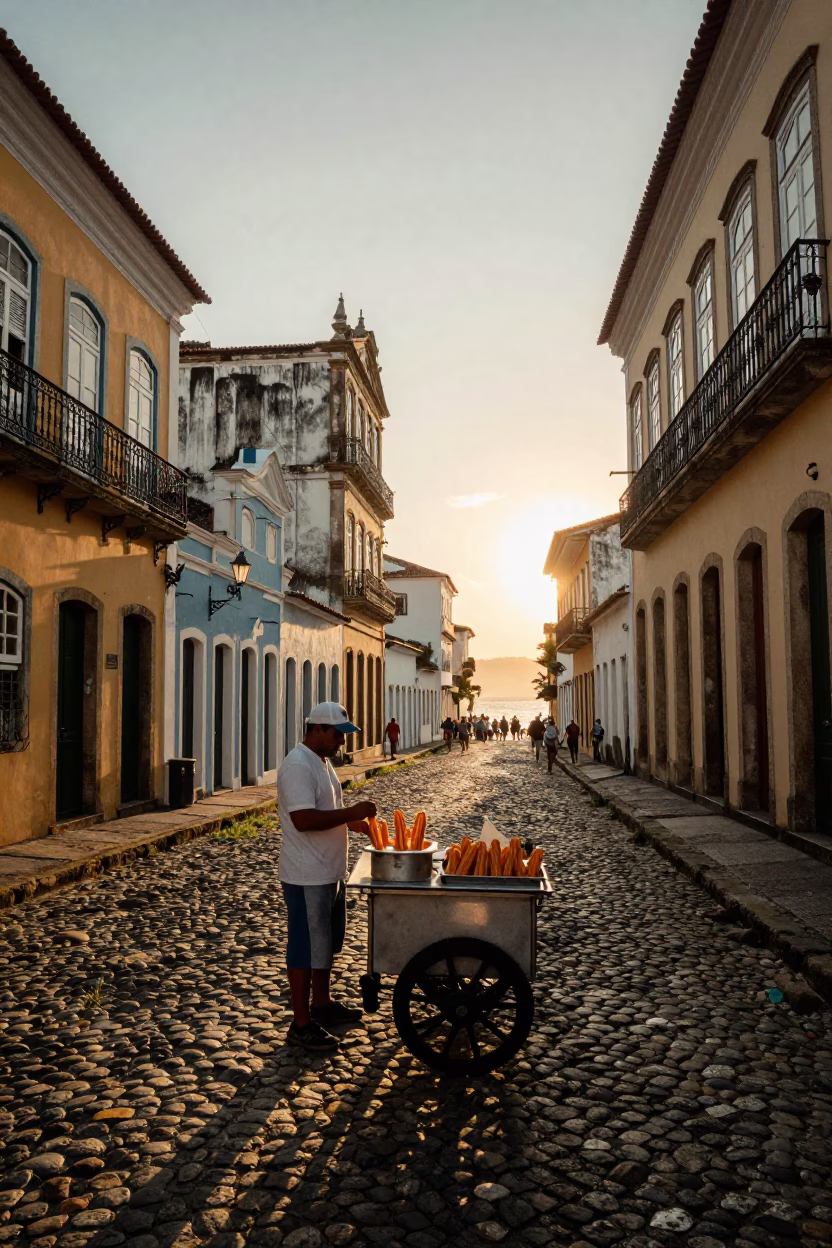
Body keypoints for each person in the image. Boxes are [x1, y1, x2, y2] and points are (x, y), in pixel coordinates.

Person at [277, 702, 377, 1054]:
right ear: (316, 729)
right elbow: (303, 819)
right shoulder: (297, 766)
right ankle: (301, 1023)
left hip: (329, 871)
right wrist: (350, 812)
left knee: (327, 944)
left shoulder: (322, 763)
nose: (340, 742)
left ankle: (322, 1003)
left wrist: (352, 823)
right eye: (337, 735)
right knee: (305, 947)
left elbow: (325, 808)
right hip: (306, 873)